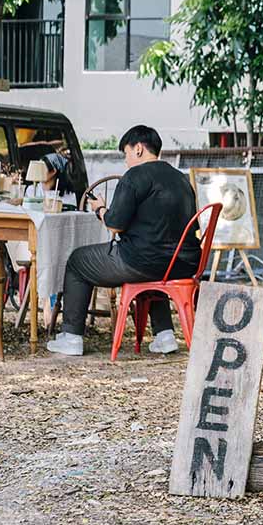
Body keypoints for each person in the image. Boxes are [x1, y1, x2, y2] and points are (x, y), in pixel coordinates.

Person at [47, 125, 201, 356]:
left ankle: (71, 337)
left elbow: (114, 224)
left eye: (126, 154)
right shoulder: (180, 179)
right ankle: (165, 335)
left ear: (138, 149)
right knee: (156, 265)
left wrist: (100, 209)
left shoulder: (135, 176)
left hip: (142, 262)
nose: (126, 161)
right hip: (182, 263)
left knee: (78, 261)